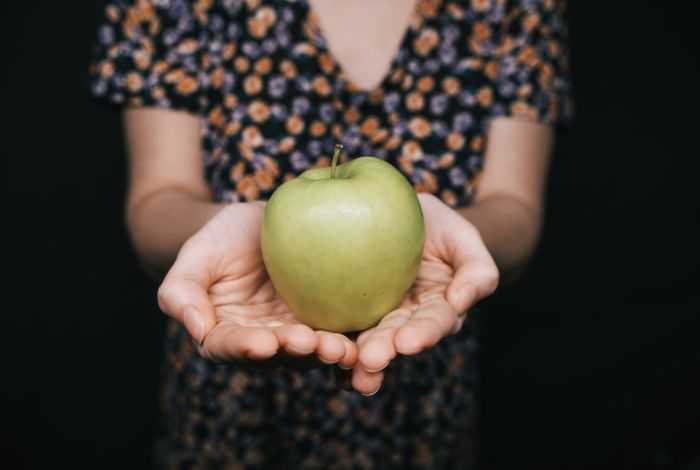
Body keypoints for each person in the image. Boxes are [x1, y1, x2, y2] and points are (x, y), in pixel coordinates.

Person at [88, 0, 572, 467]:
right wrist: (244, 234)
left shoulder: (512, 5)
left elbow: (516, 211)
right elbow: (157, 203)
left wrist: (453, 238)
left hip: (421, 388)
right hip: (231, 390)